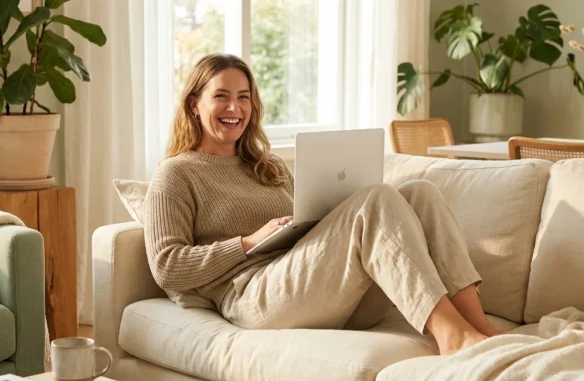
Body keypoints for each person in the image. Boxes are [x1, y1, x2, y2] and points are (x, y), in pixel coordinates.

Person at [143, 54, 503, 356]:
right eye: (221, 96)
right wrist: (248, 243)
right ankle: (452, 336)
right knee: (377, 199)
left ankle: (479, 326)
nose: (235, 108)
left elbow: (310, 231)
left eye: (244, 96)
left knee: (420, 193)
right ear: (195, 104)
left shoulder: (269, 166)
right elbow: (166, 266)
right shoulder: (176, 173)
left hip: (315, 287)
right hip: (254, 296)